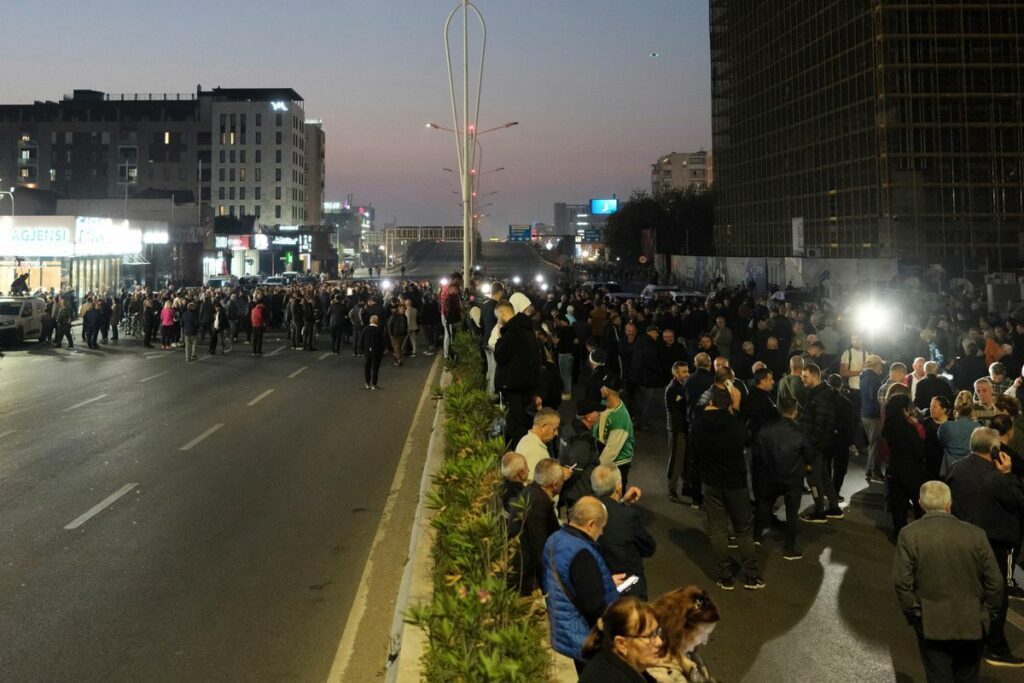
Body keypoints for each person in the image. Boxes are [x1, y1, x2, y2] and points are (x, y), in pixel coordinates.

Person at [893, 481, 1004, 681]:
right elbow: (995, 582)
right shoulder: (976, 534)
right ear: (949, 504)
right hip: (972, 620)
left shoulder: (909, 534)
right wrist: (987, 615)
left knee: (938, 676)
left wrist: (916, 614)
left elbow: (902, 582)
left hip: (932, 620)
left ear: (920, 503)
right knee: (968, 676)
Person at [946, 427, 1024, 667]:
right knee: (996, 595)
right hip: (993, 542)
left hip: (962, 539)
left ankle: (964, 637)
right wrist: (1009, 474)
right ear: (993, 448)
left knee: (968, 591)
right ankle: (996, 647)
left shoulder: (956, 468)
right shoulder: (997, 477)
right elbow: (1018, 501)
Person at [693, 386, 764, 590]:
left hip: (710, 481)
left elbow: (696, 450)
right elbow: (747, 440)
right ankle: (751, 575)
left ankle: (725, 576)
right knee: (743, 529)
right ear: (730, 404)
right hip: (735, 483)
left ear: (711, 402)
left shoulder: (699, 425)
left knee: (718, 530)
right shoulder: (736, 425)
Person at [753, 397, 813, 560]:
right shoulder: (800, 432)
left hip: (769, 475)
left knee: (764, 506)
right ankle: (789, 548)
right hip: (792, 477)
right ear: (795, 412)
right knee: (792, 513)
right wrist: (807, 467)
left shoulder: (766, 429)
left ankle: (755, 538)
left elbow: (757, 453)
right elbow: (809, 455)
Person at [592, 465, 656, 600]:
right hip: (628, 588)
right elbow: (649, 547)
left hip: (597, 585)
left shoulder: (586, 512)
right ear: (618, 487)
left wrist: (622, 502)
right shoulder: (628, 517)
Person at [509, 458, 564, 595]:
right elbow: (540, 546)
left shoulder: (530, 491)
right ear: (555, 484)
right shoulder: (540, 504)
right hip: (528, 579)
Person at [579, 597, 662, 683]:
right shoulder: (611, 677)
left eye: (657, 632)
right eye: (650, 636)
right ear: (621, 643)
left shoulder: (607, 659)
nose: (659, 642)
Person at [799, 363, 844, 522]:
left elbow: (820, 423)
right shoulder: (820, 393)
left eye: (805, 376)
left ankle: (819, 511)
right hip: (822, 444)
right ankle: (834, 507)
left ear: (815, 376)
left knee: (813, 479)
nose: (803, 379)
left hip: (816, 445)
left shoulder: (820, 396)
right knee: (824, 476)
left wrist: (810, 443)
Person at [648, 586, 720, 683]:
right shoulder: (660, 674)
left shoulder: (685, 655)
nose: (704, 641)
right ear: (680, 630)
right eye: (702, 634)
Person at [495, 299, 542, 446]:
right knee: (525, 425)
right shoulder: (527, 330)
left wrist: (498, 339)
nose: (498, 321)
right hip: (527, 387)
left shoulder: (511, 333)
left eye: (498, 317)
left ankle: (519, 460)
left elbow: (500, 356)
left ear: (502, 313)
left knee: (516, 429)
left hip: (514, 388)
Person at [883, 393, 929, 535]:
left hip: (894, 469)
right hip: (911, 471)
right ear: (904, 409)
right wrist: (916, 425)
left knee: (899, 507)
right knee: (919, 505)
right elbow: (919, 451)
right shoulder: (908, 428)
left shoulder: (888, 425)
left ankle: (899, 534)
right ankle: (919, 535)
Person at [558, 398, 604, 512]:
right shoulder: (582, 440)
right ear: (588, 417)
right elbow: (576, 469)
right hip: (579, 492)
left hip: (570, 490)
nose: (599, 414)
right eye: (597, 412)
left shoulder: (568, 427)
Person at [595, 375, 636, 489]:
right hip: (604, 454)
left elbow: (611, 451)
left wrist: (596, 470)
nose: (600, 389)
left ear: (607, 389)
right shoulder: (604, 402)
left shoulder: (620, 418)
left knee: (615, 498)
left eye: (602, 387)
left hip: (618, 464)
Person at [665, 361, 690, 503]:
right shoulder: (673, 389)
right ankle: (672, 489)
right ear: (676, 374)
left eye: (687, 371)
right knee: (676, 459)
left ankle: (685, 485)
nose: (687, 374)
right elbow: (679, 409)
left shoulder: (683, 386)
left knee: (684, 459)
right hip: (677, 429)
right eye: (684, 372)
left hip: (683, 429)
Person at [938, 391, 978, 476]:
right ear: (972, 408)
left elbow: (940, 443)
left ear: (955, 408)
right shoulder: (979, 427)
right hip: (972, 471)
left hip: (951, 470)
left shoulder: (945, 427)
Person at [515, 408, 562, 481]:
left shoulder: (527, 440)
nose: (556, 433)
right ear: (544, 426)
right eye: (554, 429)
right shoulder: (534, 450)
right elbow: (532, 484)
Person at [859, 354, 885, 482]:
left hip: (864, 414)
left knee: (872, 444)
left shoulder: (863, 377)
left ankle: (869, 470)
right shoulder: (874, 379)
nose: (881, 367)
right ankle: (875, 472)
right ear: (875, 365)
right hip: (872, 415)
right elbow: (873, 398)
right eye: (880, 364)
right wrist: (878, 413)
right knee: (875, 444)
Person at [361, 314, 386, 390]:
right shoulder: (378, 330)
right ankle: (374, 384)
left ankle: (367, 383)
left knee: (367, 367)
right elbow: (382, 342)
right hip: (376, 352)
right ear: (377, 321)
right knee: (375, 368)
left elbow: (361, 341)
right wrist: (382, 351)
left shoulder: (365, 329)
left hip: (367, 352)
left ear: (370, 321)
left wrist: (363, 351)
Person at [387, 302, 408, 367]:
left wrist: (405, 332)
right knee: (397, 347)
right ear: (398, 309)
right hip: (394, 335)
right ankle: (399, 360)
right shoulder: (394, 316)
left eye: (404, 309)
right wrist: (391, 333)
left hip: (402, 335)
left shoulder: (404, 316)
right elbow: (390, 325)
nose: (403, 310)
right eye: (402, 309)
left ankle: (396, 359)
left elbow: (405, 325)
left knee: (398, 347)